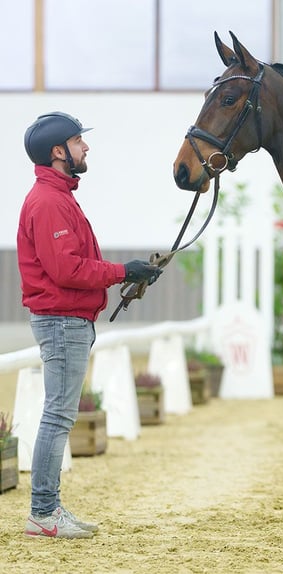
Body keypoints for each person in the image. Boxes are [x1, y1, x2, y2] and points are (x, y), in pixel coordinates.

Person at [17, 112, 163, 539]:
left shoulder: (58, 196)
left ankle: (49, 508)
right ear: (58, 151)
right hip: (62, 322)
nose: (87, 148)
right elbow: (66, 270)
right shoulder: (48, 202)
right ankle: (43, 513)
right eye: (79, 141)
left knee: (59, 415)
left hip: (69, 320)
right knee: (58, 416)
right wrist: (121, 271)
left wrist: (127, 272)